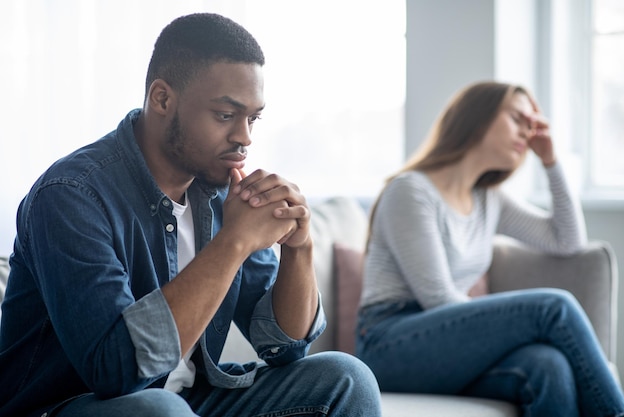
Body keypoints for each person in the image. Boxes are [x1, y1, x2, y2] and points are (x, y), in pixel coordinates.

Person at [0, 13, 381, 417]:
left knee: (346, 380)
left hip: (185, 400)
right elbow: (117, 370)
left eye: (252, 118)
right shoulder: (71, 196)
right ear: (162, 99)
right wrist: (233, 243)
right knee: (160, 410)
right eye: (225, 115)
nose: (245, 137)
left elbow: (284, 346)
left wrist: (299, 248)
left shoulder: (219, 194)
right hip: (69, 407)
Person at [355, 81, 624, 416]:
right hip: (390, 343)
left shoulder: (488, 199)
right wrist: (505, 327)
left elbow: (567, 241)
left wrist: (551, 161)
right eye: (517, 118)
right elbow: (438, 298)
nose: (528, 132)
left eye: (532, 124)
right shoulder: (410, 191)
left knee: (548, 365)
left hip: (445, 342)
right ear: (477, 118)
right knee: (553, 307)